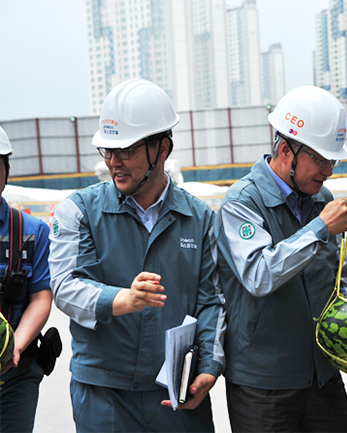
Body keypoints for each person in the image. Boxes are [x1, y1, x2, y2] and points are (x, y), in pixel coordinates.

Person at [48, 79, 225, 432]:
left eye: (125, 151)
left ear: (162, 149)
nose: (114, 163)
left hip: (174, 395)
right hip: (102, 395)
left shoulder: (201, 219)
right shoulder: (79, 211)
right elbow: (65, 286)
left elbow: (212, 302)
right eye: (107, 152)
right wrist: (123, 299)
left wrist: (209, 367)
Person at [217, 85, 347, 432]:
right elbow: (259, 274)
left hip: (322, 375)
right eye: (321, 160)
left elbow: (338, 277)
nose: (329, 170)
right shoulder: (241, 203)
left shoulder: (321, 197)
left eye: (333, 160)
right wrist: (319, 228)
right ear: (285, 150)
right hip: (264, 384)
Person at [0, 126, 53, 433]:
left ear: (6, 169)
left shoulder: (32, 232)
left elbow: (41, 297)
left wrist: (13, 348)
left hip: (15, 373)